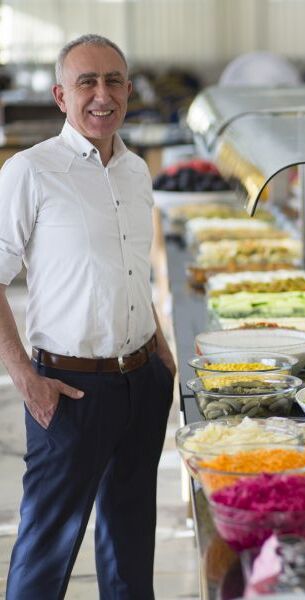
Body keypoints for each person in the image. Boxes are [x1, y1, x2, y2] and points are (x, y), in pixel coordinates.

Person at [0, 34, 176, 599]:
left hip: (143, 381)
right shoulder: (31, 171)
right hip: (69, 389)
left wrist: (161, 349)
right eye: (87, 82)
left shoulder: (136, 171)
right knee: (45, 553)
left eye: (113, 81)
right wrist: (25, 377)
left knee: (130, 546)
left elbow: (129, 267)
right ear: (61, 96)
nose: (103, 95)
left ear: (129, 89)